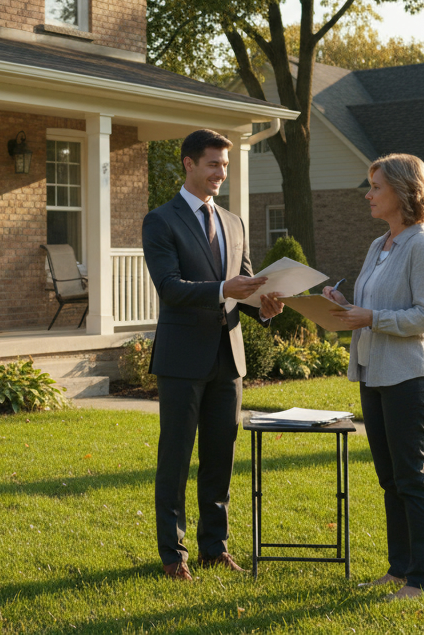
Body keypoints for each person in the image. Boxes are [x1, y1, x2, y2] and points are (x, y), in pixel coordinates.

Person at [142, 128, 285, 582]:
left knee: (220, 458)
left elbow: (245, 284)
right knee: (176, 460)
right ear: (188, 163)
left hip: (229, 358)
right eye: (213, 164)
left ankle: (213, 547)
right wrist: (224, 288)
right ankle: (173, 555)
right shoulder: (160, 221)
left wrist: (264, 304)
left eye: (225, 165)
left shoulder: (234, 222)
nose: (221, 173)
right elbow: (169, 288)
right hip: (183, 360)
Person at [322, 152, 424, 600]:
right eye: (369, 186)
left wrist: (371, 316)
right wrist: (340, 303)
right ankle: (398, 570)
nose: (368, 194)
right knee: (389, 479)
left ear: (404, 191)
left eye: (376, 187)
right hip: (373, 375)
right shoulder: (379, 245)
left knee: (412, 477)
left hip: (409, 378)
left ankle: (421, 580)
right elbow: (368, 307)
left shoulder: (423, 245)